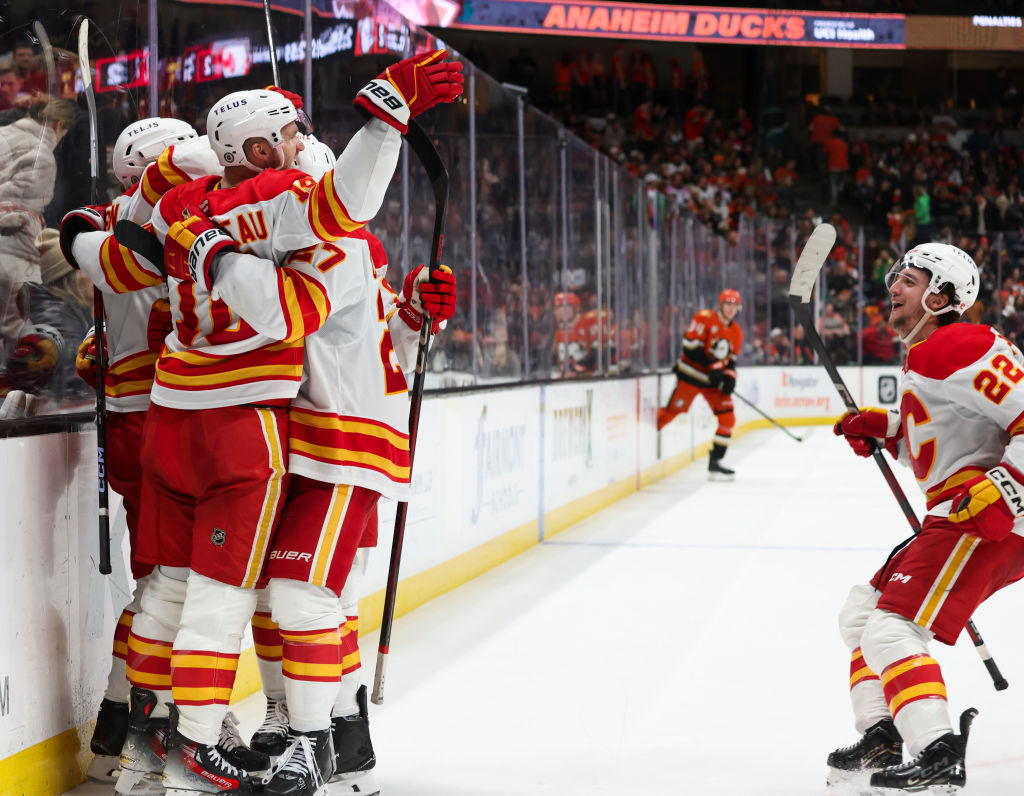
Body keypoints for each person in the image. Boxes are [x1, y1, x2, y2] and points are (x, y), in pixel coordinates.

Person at [830, 242, 1024, 791]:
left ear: (940, 298)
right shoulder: (930, 352)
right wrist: (889, 430)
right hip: (962, 512)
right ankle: (882, 734)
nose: (893, 286)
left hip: (989, 517)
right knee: (863, 615)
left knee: (891, 628)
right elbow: (954, 435)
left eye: (909, 280)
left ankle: (938, 751)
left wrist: (1009, 487)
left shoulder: (961, 343)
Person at [656, 289, 743, 479]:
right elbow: (690, 347)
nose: (731, 308)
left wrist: (729, 378)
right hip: (692, 376)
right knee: (671, 413)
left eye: (734, 305)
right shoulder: (704, 318)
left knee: (728, 419)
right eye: (728, 304)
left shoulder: (736, 332)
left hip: (712, 383)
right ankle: (649, 431)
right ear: (720, 305)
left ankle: (716, 462)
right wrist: (713, 366)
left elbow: (731, 361)